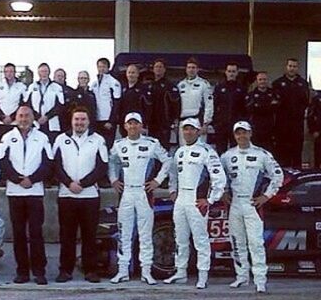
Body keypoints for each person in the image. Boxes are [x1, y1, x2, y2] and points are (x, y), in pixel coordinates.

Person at [221, 121, 284, 293]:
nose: (241, 136)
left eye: (244, 133)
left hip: (252, 204)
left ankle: (260, 280)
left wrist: (266, 196)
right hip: (234, 204)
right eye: (238, 133)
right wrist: (223, 192)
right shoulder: (227, 156)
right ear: (234, 135)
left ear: (250, 134)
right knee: (237, 242)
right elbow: (219, 177)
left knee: (256, 242)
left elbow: (278, 176)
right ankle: (241, 276)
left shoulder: (262, 154)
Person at [109, 112, 171, 285]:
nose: (133, 126)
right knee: (124, 234)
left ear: (141, 126)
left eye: (136, 123)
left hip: (145, 193)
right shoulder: (119, 145)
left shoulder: (152, 144)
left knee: (145, 234)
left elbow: (167, 161)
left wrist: (157, 181)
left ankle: (146, 271)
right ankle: (123, 271)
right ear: (125, 126)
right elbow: (110, 162)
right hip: (126, 194)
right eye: (130, 123)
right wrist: (113, 179)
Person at [164, 118, 225, 289]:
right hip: (181, 198)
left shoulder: (208, 151)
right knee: (180, 238)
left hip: (197, 200)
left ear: (199, 131)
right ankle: (180, 272)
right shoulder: (179, 152)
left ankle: (203, 274)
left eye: (192, 129)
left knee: (200, 239)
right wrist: (172, 191)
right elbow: (173, 174)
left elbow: (219, 178)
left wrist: (211, 199)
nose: (188, 132)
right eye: (185, 129)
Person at [53, 106, 109, 283]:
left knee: (89, 235)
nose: (79, 123)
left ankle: (90, 270)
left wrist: (83, 184)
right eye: (76, 119)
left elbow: (102, 167)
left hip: (90, 196)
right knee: (67, 235)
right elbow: (56, 166)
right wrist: (69, 183)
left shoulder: (98, 140)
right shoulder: (61, 139)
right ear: (71, 121)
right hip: (66, 195)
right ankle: (65, 270)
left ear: (89, 121)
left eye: (83, 119)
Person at [0, 105, 52, 285]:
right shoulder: (7, 137)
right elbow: (3, 162)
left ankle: (39, 271)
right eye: (20, 116)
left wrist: (33, 179)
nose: (23, 119)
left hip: (35, 191)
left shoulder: (42, 137)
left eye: (27, 115)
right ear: (16, 117)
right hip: (15, 191)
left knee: (36, 232)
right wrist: (16, 179)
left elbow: (47, 163)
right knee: (19, 233)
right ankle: (22, 271)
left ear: (32, 117)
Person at [272, 58, 310, 168]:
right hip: (282, 124)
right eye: (290, 66)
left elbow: (306, 102)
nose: (292, 68)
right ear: (286, 67)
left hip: (297, 123)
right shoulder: (278, 83)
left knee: (297, 151)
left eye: (294, 66)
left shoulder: (303, 84)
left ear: (297, 68)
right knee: (282, 152)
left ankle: (297, 178)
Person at [144, 58, 180, 152]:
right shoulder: (149, 86)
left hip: (164, 124)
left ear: (164, 69)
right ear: (153, 69)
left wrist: (174, 120)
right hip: (151, 125)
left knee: (163, 150)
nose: (158, 69)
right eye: (156, 67)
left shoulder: (170, 86)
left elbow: (176, 104)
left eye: (160, 67)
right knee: (152, 150)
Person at [211, 62, 247, 154]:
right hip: (221, 124)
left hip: (236, 124)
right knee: (220, 150)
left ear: (237, 73)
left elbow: (245, 108)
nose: (231, 73)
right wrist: (215, 121)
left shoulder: (242, 88)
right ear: (226, 72)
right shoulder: (219, 88)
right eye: (229, 71)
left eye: (233, 71)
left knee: (236, 150)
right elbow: (214, 105)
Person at [24, 62, 65, 143]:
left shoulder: (57, 87)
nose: (44, 73)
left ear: (49, 72)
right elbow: (27, 104)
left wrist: (47, 116)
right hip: (36, 123)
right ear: (38, 73)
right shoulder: (32, 86)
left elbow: (60, 105)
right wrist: (37, 117)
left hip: (51, 123)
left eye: (46, 71)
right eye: (42, 71)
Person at [177, 57, 213, 146]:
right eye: (189, 67)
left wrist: (205, 124)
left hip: (197, 121)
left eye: (193, 67)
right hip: (183, 121)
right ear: (186, 69)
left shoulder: (204, 84)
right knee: (184, 148)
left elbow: (209, 104)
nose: (191, 70)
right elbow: (176, 106)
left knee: (199, 148)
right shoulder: (180, 85)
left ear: (197, 69)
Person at [90, 57, 121, 149]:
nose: (101, 69)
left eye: (103, 67)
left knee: (108, 146)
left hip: (108, 120)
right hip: (96, 120)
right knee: (97, 147)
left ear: (108, 68)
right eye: (99, 67)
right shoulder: (94, 84)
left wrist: (111, 121)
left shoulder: (114, 82)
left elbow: (117, 103)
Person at [0, 62, 27, 141]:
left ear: (14, 72)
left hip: (16, 122)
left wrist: (12, 117)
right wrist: (2, 117)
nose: (9, 74)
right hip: (1, 123)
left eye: (11, 71)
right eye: (6, 71)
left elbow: (23, 105)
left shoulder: (21, 87)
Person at [245, 72, 280, 151]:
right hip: (256, 129)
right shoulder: (251, 95)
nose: (262, 81)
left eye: (264, 79)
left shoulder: (274, 94)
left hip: (271, 129)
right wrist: (268, 106)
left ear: (267, 80)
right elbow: (250, 109)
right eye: (260, 79)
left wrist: (259, 106)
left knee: (270, 152)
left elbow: (276, 108)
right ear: (257, 81)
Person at [116, 64, 149, 134]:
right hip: (125, 125)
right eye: (129, 72)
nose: (131, 75)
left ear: (138, 74)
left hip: (138, 125)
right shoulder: (122, 89)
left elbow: (148, 109)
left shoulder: (143, 89)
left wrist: (145, 124)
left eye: (133, 72)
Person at [307, 89, 321, 168]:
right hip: (318, 131)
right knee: (318, 152)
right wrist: (313, 130)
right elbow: (311, 115)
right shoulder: (316, 98)